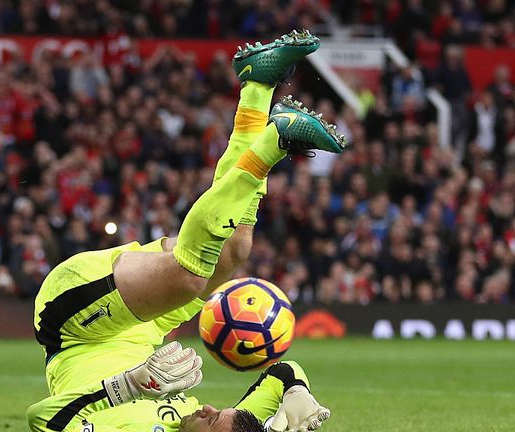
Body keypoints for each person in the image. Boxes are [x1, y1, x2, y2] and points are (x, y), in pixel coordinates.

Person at [28, 30, 345, 432]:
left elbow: (43, 420)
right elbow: (282, 374)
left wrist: (125, 387)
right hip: (143, 323)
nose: (210, 408)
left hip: (76, 326)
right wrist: (296, 395)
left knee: (192, 276)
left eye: (213, 424)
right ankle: (257, 86)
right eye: (223, 413)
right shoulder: (200, 420)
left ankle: (275, 139)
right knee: (235, 250)